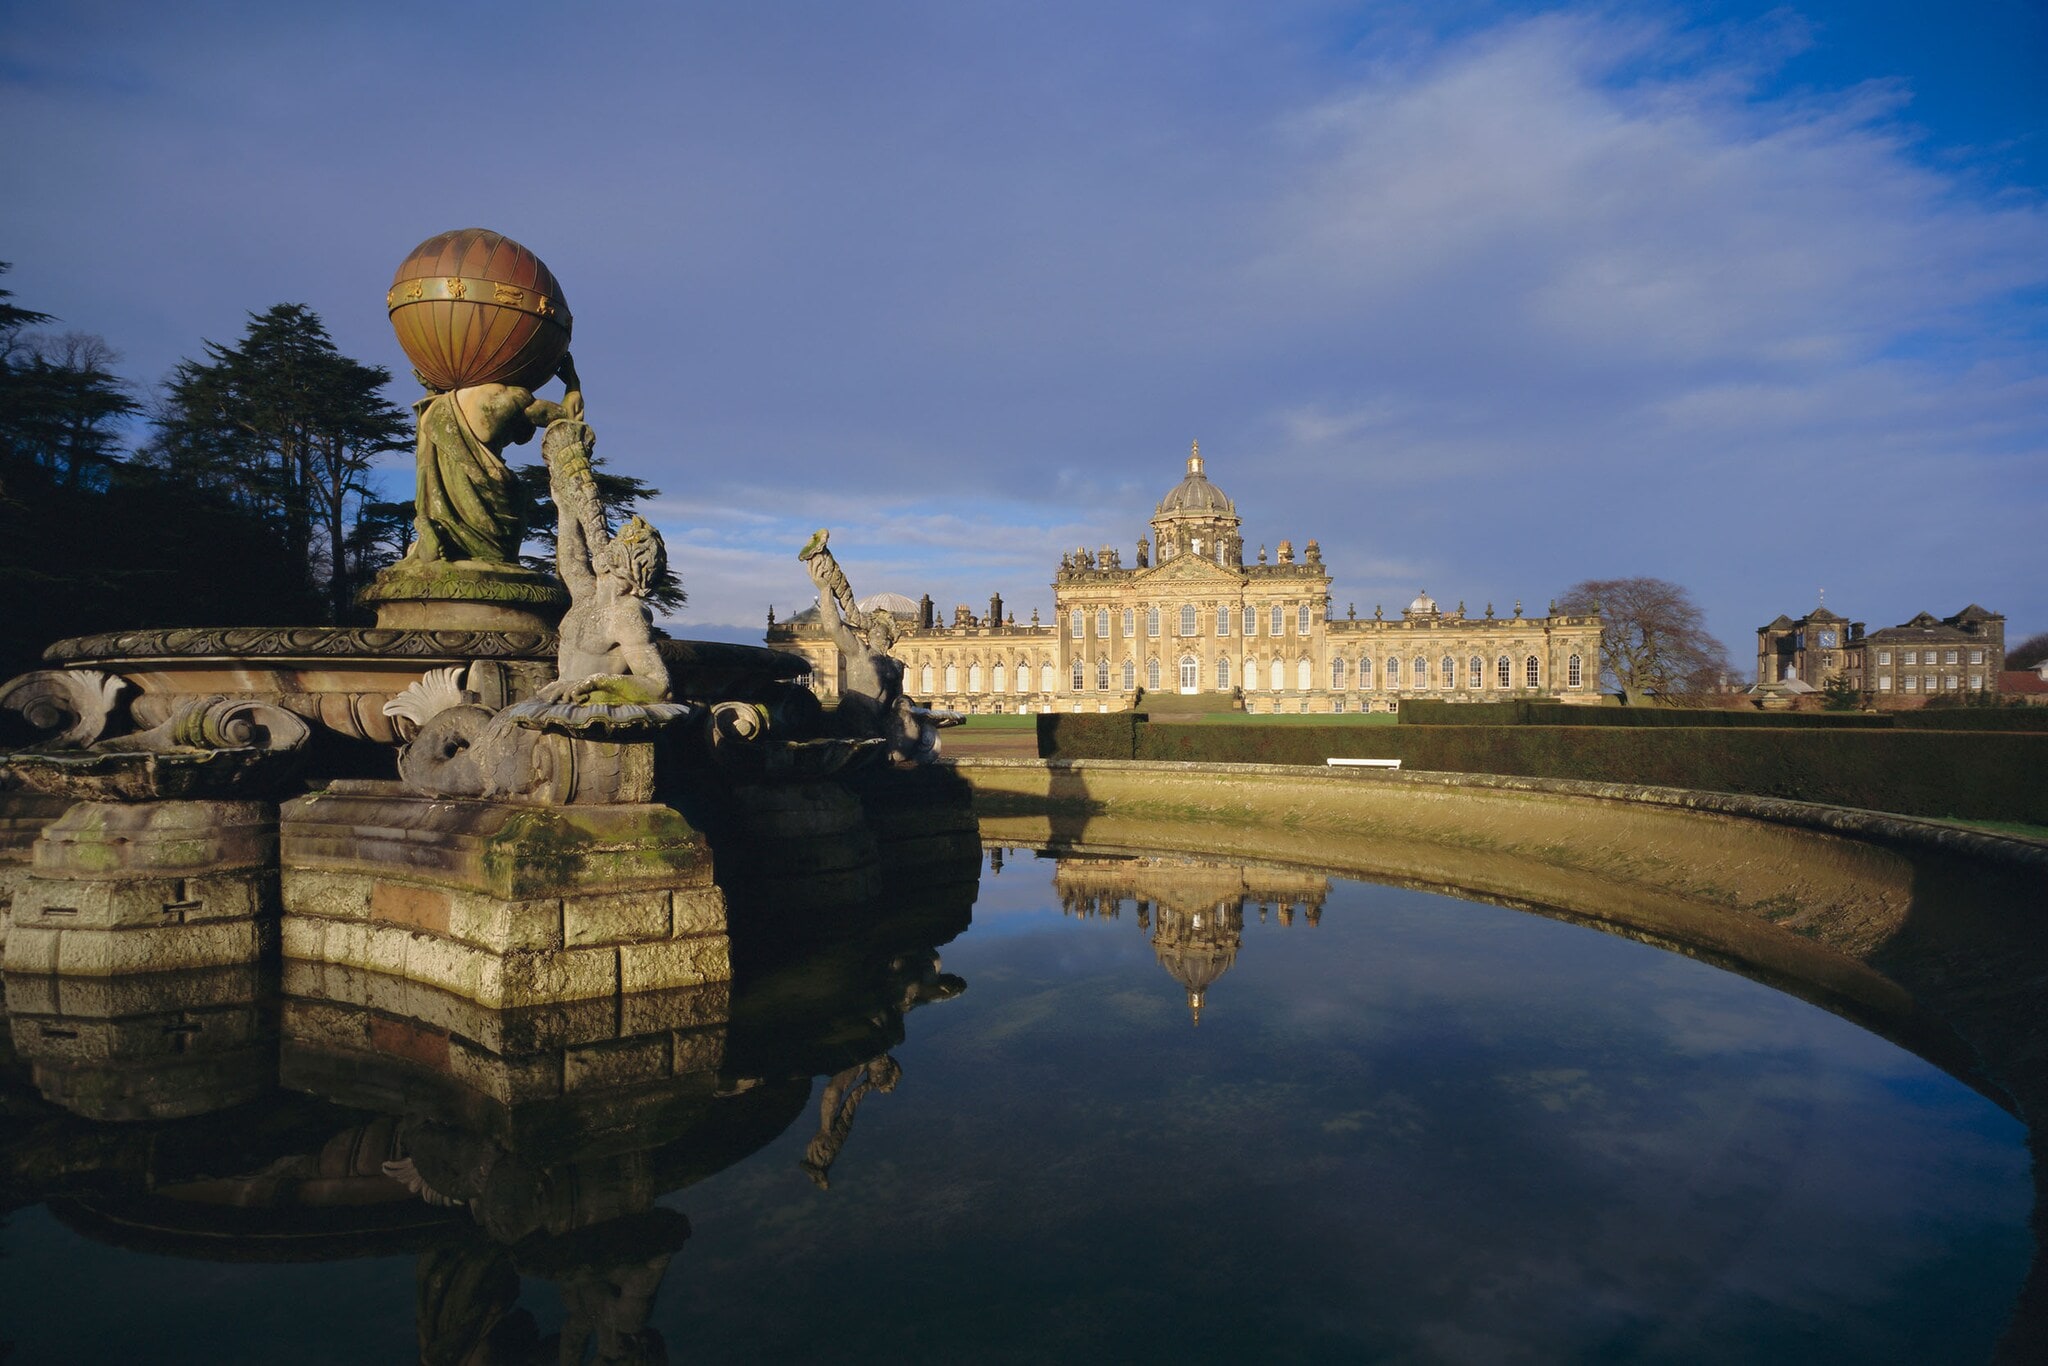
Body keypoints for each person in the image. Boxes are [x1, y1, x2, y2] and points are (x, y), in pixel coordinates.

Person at [405, 354, 584, 565]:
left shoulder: (436, 406)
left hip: (440, 488)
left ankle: (442, 532)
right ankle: (460, 542)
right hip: (489, 483)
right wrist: (572, 381)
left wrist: (435, 384)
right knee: (500, 555)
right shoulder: (516, 397)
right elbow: (568, 415)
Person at [541, 418, 671, 700]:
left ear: (625, 563)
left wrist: (599, 683)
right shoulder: (587, 596)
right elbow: (572, 560)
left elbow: (657, 683)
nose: (608, 543)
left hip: (592, 713)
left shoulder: (627, 615)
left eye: (618, 541)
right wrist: (564, 509)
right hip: (558, 704)